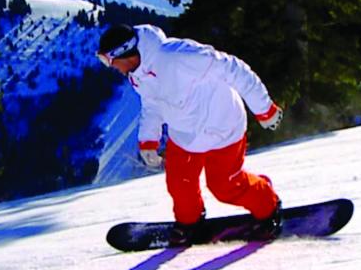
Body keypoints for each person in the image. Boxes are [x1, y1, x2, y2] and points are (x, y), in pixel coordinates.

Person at [97, 24, 284, 244]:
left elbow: (233, 68)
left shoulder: (177, 56)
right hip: (185, 135)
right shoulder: (137, 74)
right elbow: (152, 103)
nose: (110, 67)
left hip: (222, 127)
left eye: (108, 61)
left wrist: (264, 108)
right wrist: (148, 140)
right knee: (179, 184)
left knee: (225, 187)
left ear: (124, 53)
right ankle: (190, 223)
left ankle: (268, 208)